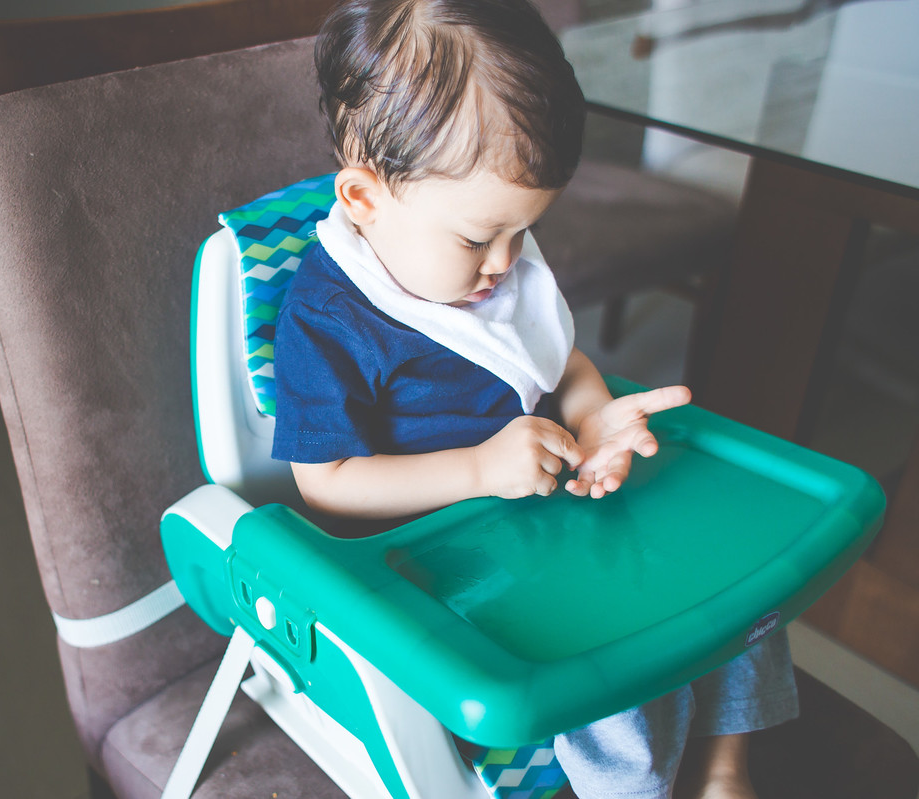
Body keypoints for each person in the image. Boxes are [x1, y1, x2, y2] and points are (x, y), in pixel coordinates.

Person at [269, 0, 798, 796]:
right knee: (602, 648)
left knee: (734, 579)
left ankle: (727, 762)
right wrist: (481, 470)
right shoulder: (329, 315)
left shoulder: (485, 251)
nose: (505, 264)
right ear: (365, 198)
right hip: (433, 554)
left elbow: (558, 356)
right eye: (480, 238)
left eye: (525, 232)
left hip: (538, 509)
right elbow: (327, 481)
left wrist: (591, 412)